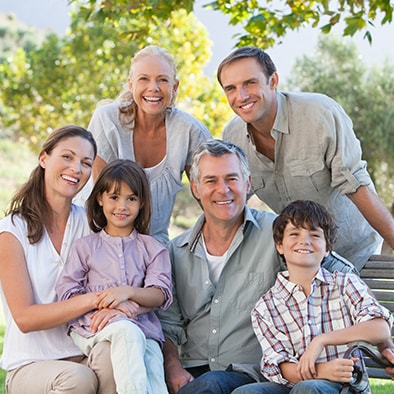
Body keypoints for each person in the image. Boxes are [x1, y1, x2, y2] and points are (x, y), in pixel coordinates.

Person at [157, 140, 356, 394]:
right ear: (195, 188)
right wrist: (172, 366)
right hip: (192, 370)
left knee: (209, 385)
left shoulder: (278, 235)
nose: (223, 190)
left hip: (253, 372)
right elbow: (168, 323)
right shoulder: (176, 251)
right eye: (211, 181)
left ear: (247, 183)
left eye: (232, 179)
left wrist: (383, 342)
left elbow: (338, 269)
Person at [217, 46, 394, 269]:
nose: (240, 96)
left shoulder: (319, 114)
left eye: (250, 83)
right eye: (230, 88)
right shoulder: (232, 136)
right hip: (300, 258)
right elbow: (233, 200)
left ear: (273, 81)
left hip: (356, 252)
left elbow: (356, 184)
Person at [0, 125, 117, 394]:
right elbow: (25, 318)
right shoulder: (10, 232)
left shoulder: (92, 226)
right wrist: (92, 299)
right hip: (30, 365)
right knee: (78, 379)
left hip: (83, 351)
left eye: (86, 163)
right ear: (44, 159)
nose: (76, 168)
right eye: (67, 157)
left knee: (117, 355)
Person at [232, 199, 393, 394]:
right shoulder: (266, 307)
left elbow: (380, 328)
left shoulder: (344, 284)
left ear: (327, 249)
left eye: (315, 235)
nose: (304, 240)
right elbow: (280, 365)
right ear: (279, 245)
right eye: (294, 233)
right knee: (246, 393)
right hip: (293, 385)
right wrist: (321, 370)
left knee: (308, 388)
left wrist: (322, 340)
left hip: (344, 386)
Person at [56, 159, 173, 394]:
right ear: (100, 199)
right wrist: (109, 306)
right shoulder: (85, 247)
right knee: (126, 331)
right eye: (114, 197)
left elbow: (159, 294)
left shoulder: (153, 248)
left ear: (141, 203)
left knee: (152, 365)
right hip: (92, 325)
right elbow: (67, 293)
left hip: (144, 328)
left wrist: (127, 293)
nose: (122, 206)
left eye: (131, 198)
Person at [77, 44, 212, 245]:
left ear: (174, 87)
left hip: (152, 244)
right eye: (144, 79)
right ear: (131, 85)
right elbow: (103, 200)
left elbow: (211, 193)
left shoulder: (190, 131)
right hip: (96, 235)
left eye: (162, 80)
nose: (153, 88)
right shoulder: (106, 120)